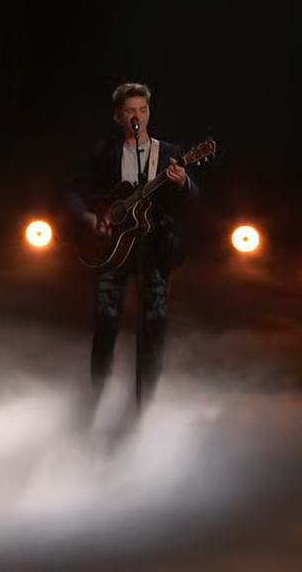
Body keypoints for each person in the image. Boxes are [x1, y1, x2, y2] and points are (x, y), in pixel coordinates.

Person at [64, 82, 198, 423]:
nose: (137, 116)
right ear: (118, 117)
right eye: (130, 111)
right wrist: (88, 216)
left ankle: (143, 405)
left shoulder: (168, 153)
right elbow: (74, 189)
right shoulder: (104, 152)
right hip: (111, 247)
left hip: (155, 249)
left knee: (153, 323)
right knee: (106, 319)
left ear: (149, 113)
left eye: (143, 109)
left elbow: (192, 200)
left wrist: (183, 183)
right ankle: (96, 397)